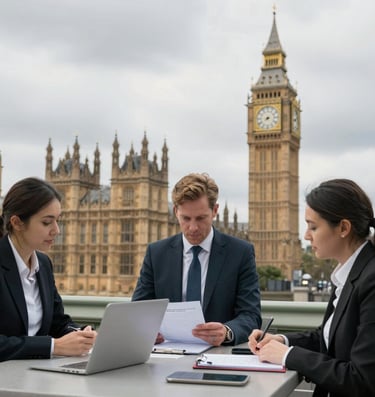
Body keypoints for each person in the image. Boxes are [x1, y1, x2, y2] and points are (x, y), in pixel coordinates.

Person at [248, 179, 375, 397]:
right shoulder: (350, 272)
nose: (306, 235)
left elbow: (362, 380)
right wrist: (281, 340)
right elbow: (327, 338)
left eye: (313, 226)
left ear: (344, 228)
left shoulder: (370, 280)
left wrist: (289, 355)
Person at [132, 172, 261, 346]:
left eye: (201, 218)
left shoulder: (240, 253)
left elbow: (251, 315)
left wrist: (227, 332)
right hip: (167, 355)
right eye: (186, 218)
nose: (193, 228)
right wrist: (146, 329)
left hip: (218, 356)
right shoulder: (156, 253)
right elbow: (138, 310)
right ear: (176, 211)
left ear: (215, 211)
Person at [0, 177, 97, 362]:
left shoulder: (43, 264)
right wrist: (54, 346)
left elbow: (57, 322)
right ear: (17, 223)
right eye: (46, 222)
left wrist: (83, 334)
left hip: (33, 374)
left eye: (58, 221)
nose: (56, 230)